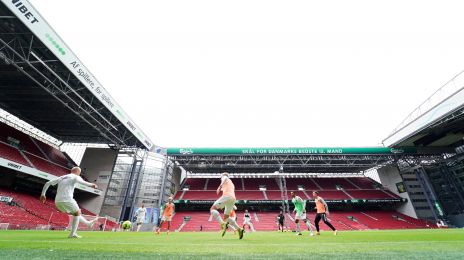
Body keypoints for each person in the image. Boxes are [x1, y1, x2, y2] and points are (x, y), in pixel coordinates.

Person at [40, 166, 99, 238]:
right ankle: (73, 233)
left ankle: (88, 223)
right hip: (67, 199)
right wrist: (92, 185)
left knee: (75, 213)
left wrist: (43, 194)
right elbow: (82, 182)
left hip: (58, 202)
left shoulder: (62, 177)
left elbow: (47, 183)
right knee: (77, 212)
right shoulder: (75, 176)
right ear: (78, 172)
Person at [210, 172, 244, 239]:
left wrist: (219, 187)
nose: (221, 177)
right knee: (226, 217)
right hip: (233, 199)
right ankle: (239, 229)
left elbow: (225, 178)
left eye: (221, 176)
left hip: (227, 196)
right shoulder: (231, 183)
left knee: (212, 209)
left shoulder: (225, 177)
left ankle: (222, 223)